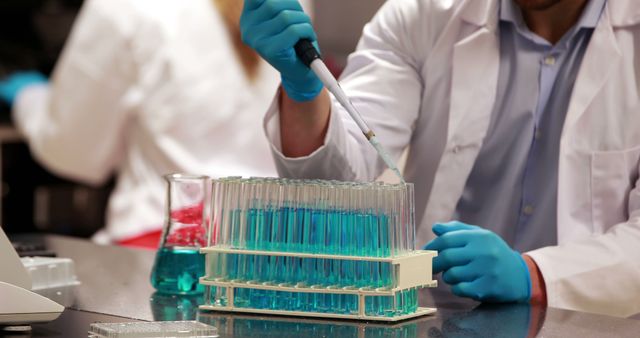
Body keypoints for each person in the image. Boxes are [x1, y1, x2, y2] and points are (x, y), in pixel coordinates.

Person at [239, 0, 640, 317]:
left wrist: (534, 276)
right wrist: (303, 90)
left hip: (591, 322)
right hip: (436, 319)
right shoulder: (423, 15)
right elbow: (336, 181)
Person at [0, 0, 309, 246]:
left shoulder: (127, 7)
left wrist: (28, 96)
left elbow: (72, 152)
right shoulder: (287, 5)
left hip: (169, 254)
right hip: (275, 251)